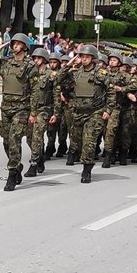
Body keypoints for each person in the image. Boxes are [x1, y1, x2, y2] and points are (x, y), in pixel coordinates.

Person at [0, 33, 34, 191]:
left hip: (22, 109)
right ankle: (17, 166)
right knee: (6, 141)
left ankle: (11, 173)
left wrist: (34, 112)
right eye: (13, 43)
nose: (15, 46)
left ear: (24, 46)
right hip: (6, 108)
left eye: (18, 43)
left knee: (15, 138)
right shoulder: (5, 63)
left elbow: (36, 90)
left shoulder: (30, 66)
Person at [57, 45, 115, 183]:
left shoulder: (102, 74)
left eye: (87, 57)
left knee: (89, 141)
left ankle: (87, 169)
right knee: (76, 141)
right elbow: (58, 79)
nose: (84, 59)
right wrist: (69, 64)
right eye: (82, 56)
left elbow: (111, 93)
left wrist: (108, 110)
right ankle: (79, 156)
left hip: (94, 113)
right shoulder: (75, 73)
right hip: (77, 113)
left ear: (93, 58)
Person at [25, 48, 61, 177]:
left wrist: (56, 114)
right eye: (34, 58)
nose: (36, 60)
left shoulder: (51, 75)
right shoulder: (30, 74)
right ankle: (39, 157)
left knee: (37, 136)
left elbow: (56, 96)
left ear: (44, 60)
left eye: (38, 58)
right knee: (29, 137)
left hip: (44, 109)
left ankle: (34, 164)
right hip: (31, 109)